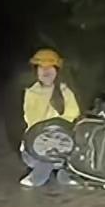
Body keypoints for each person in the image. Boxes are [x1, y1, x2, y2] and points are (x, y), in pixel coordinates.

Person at [20, 48, 81, 188]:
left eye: (50, 68)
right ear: (36, 71)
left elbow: (73, 115)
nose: (46, 71)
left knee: (74, 145)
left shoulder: (65, 92)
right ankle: (39, 176)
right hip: (38, 145)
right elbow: (33, 121)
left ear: (57, 71)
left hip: (61, 141)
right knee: (47, 151)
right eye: (41, 67)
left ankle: (65, 174)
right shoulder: (31, 93)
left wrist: (58, 128)